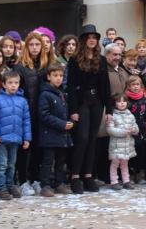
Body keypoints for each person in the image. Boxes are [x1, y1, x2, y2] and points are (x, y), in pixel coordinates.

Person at [68, 25, 112, 194]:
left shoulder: (100, 59)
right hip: (81, 102)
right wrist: (73, 109)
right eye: (89, 36)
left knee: (93, 139)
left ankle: (88, 176)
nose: (92, 39)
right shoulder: (74, 59)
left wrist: (109, 109)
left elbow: (105, 85)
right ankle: (75, 176)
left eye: (95, 37)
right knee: (82, 138)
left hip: (97, 101)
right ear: (84, 39)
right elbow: (71, 86)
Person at [0, 70, 31, 201]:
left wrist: (27, 138)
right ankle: (1, 188)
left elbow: (26, 120)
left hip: (16, 138)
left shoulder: (22, 101)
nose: (13, 85)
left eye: (16, 83)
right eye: (10, 83)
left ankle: (10, 184)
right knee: (2, 164)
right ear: (4, 84)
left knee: (12, 164)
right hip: (1, 139)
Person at [14, 32, 48, 191]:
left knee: (38, 148)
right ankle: (22, 180)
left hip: (42, 112)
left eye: (37, 44)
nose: (34, 48)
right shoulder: (20, 66)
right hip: (25, 111)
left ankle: (35, 178)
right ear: (26, 47)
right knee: (24, 147)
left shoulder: (46, 65)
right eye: (31, 45)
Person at [37, 61, 73, 197]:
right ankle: (45, 185)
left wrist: (68, 122)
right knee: (48, 161)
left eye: (61, 75)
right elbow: (44, 115)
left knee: (60, 161)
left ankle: (59, 183)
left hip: (62, 134)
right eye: (55, 75)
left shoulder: (61, 93)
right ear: (48, 77)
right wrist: (61, 124)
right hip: (49, 135)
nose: (58, 78)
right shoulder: (45, 94)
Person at [107, 93, 138, 191]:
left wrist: (134, 130)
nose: (122, 103)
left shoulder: (130, 115)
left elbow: (136, 127)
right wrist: (124, 132)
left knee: (125, 163)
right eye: (119, 102)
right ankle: (114, 181)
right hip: (116, 145)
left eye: (124, 101)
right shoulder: (112, 115)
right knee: (115, 163)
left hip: (127, 145)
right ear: (115, 103)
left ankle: (126, 181)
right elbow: (110, 130)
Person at [125, 75, 146, 184]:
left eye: (137, 84)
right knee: (130, 150)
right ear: (128, 86)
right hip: (130, 129)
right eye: (133, 85)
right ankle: (130, 173)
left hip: (142, 128)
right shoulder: (126, 100)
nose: (135, 87)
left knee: (141, 150)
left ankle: (140, 172)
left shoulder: (144, 99)